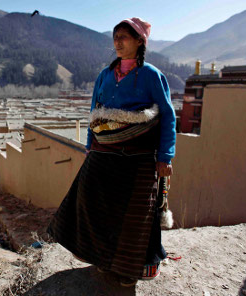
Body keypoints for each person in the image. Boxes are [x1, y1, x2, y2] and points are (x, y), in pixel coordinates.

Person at [47, 17, 176, 287]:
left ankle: (129, 270)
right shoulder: (105, 76)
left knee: (134, 215)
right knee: (87, 200)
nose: (117, 42)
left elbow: (167, 116)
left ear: (139, 41)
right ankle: (101, 257)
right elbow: (95, 113)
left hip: (138, 157)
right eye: (115, 37)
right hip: (103, 153)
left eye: (124, 37)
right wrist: (89, 145)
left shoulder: (152, 75)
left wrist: (165, 156)